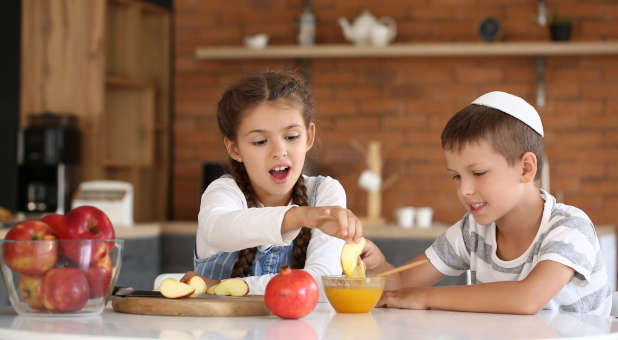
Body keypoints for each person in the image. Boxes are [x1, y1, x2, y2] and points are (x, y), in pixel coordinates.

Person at [361, 91, 611, 315]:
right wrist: (378, 266)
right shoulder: (472, 231)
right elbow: (402, 286)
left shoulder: (570, 227)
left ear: (526, 168)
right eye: (456, 176)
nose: (464, 190)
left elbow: (527, 298)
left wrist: (426, 297)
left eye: (479, 173)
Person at [183, 70, 362, 298]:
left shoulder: (326, 192)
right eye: (259, 141)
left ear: (309, 136)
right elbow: (217, 230)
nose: (279, 151)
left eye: (291, 137)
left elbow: (321, 281)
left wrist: (220, 286)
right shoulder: (224, 192)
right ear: (234, 148)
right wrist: (299, 216)